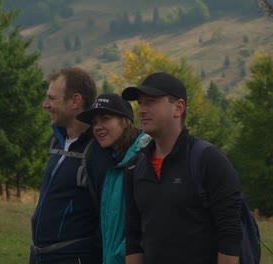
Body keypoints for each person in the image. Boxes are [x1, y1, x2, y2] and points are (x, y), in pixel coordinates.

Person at [121, 72, 243, 264]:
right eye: (140, 103)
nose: (142, 110)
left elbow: (230, 234)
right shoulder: (134, 167)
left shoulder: (208, 160)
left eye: (150, 102)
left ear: (178, 108)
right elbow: (133, 234)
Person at [30, 67, 117, 264]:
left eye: (52, 98)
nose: (46, 105)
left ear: (75, 101)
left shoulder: (99, 153)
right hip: (39, 256)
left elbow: (109, 218)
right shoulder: (57, 141)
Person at [76, 93, 151, 264]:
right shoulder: (111, 159)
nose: (98, 127)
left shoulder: (146, 157)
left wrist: (120, 255)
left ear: (125, 121)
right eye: (94, 122)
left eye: (105, 119)